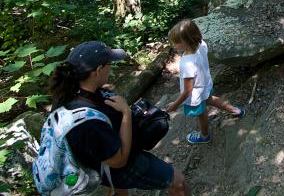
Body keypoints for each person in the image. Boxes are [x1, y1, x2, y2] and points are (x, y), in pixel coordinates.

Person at [49, 41, 189, 196]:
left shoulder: (67, 94)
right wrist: (126, 113)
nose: (111, 67)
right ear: (98, 70)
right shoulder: (88, 122)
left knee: (117, 189)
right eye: (109, 63)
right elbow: (119, 161)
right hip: (117, 166)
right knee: (178, 181)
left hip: (97, 160)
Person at [167, 19, 245, 144]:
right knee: (211, 99)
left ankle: (204, 136)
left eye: (176, 42)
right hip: (205, 84)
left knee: (201, 114)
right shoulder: (201, 44)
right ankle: (236, 110)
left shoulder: (187, 63)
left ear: (187, 41)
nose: (174, 45)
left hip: (196, 95)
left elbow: (188, 91)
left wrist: (175, 104)